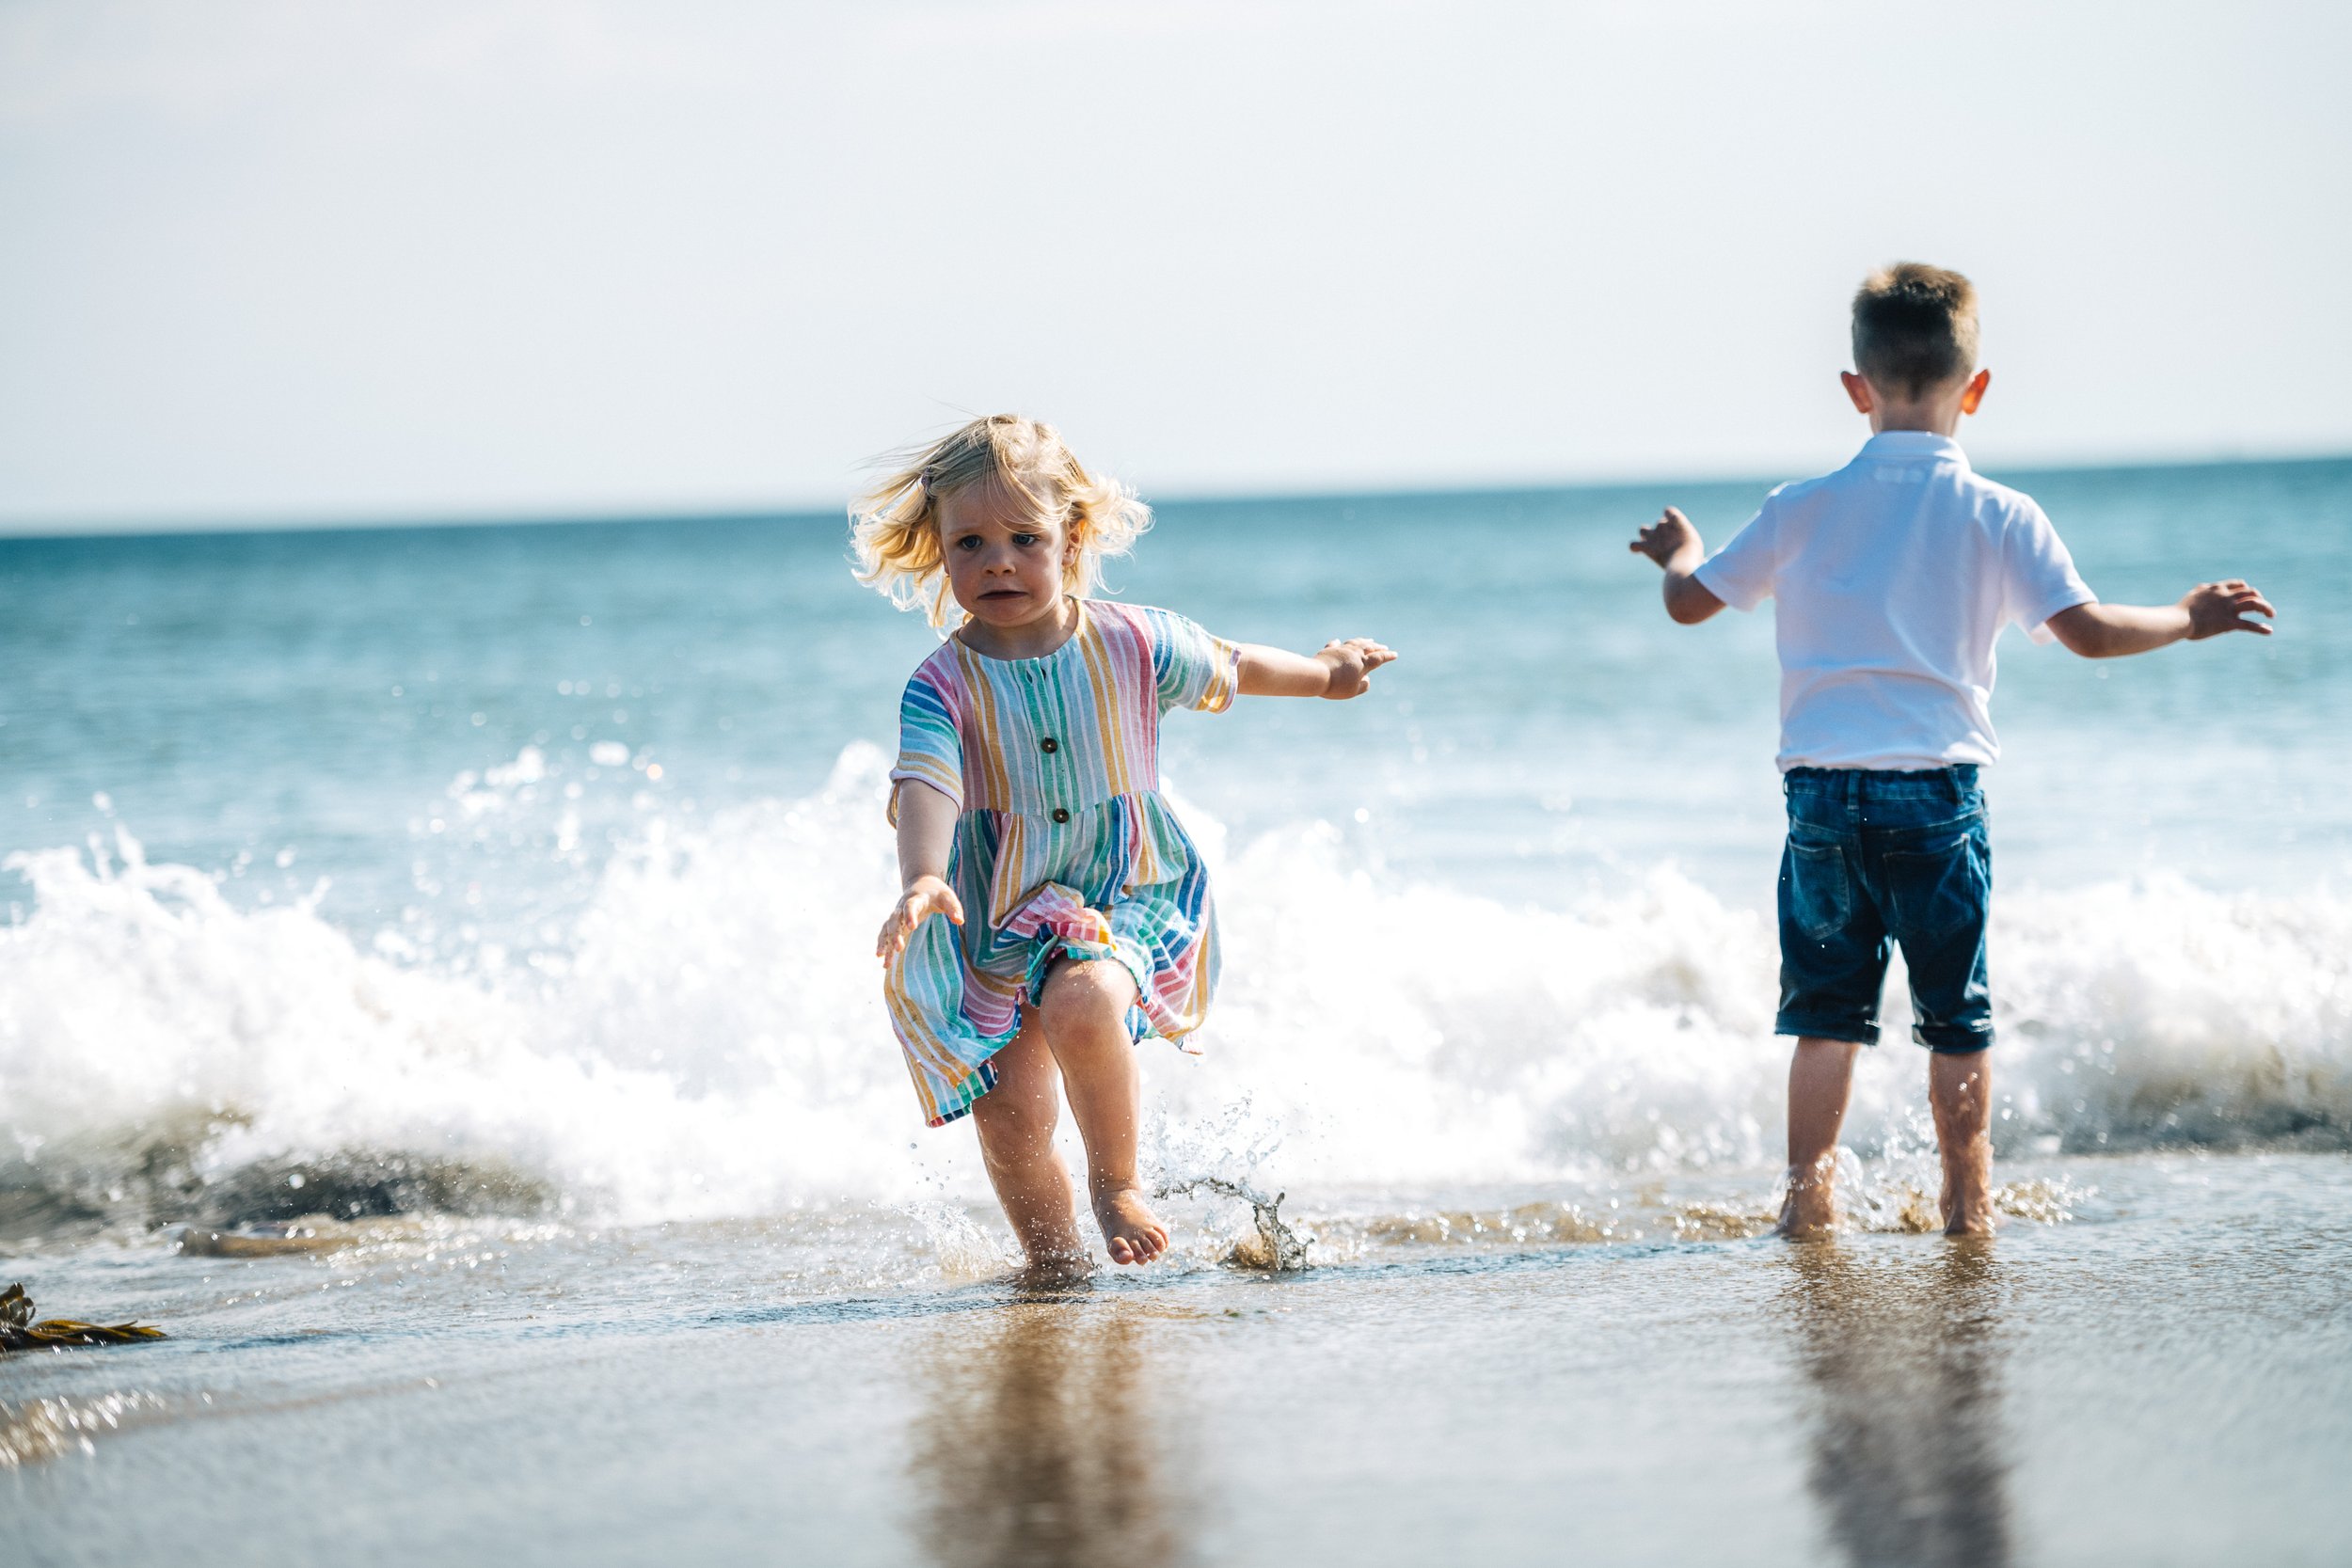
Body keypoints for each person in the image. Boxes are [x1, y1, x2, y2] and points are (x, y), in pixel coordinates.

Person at [1629, 262, 2274, 1238]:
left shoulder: (1795, 508)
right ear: (1974, 389)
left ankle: (1807, 1202)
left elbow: (1687, 603)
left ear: (1856, 389)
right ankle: (1966, 1201)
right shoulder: (2000, 513)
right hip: (1936, 798)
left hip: (1819, 804)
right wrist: (2187, 617)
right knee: (1955, 1019)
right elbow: (2089, 633)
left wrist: (1681, 548)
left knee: (1823, 1017)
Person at [857, 414, 1394, 1273]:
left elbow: (1234, 664)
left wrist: (1327, 676)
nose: (997, 560)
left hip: (1124, 889)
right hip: (995, 907)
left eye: (1023, 537)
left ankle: (1116, 1184)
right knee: (1010, 1109)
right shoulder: (941, 683)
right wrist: (922, 877)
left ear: (1072, 539)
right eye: (970, 542)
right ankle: (1052, 1260)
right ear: (940, 550)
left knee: (1082, 1000)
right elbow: (928, 781)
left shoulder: (1134, 641)